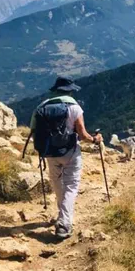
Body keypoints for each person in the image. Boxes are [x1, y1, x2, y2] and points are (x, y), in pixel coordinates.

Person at [29, 76, 102, 239]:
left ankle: (62, 215)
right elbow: (82, 135)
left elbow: (33, 131)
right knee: (71, 186)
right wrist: (95, 139)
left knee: (57, 184)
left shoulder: (42, 106)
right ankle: (64, 224)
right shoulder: (74, 107)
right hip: (70, 152)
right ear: (70, 91)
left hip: (50, 153)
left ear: (55, 90)